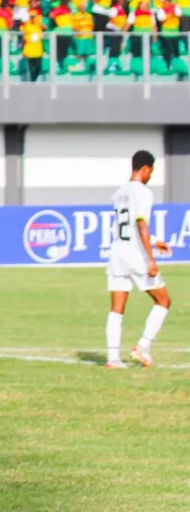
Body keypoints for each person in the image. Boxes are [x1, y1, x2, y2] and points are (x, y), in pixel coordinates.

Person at [105, 150, 172, 369]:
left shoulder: (119, 192)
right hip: (135, 256)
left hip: (117, 253)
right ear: (144, 168)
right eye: (150, 171)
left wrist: (154, 240)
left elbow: (127, 227)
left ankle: (113, 359)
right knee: (163, 301)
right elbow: (141, 224)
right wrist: (151, 259)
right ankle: (143, 346)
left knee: (117, 307)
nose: (150, 176)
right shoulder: (143, 192)